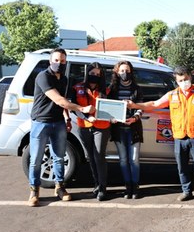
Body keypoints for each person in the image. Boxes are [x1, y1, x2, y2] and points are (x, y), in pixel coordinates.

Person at [127, 66, 194, 207]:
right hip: (179, 137)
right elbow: (154, 104)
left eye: (186, 79)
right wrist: (135, 105)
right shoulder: (172, 95)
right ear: (176, 80)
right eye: (181, 80)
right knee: (182, 167)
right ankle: (186, 191)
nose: (184, 82)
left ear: (190, 77)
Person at [28, 48, 95, 207]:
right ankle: (34, 191)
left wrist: (67, 118)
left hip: (58, 122)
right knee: (36, 159)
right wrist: (82, 109)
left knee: (59, 157)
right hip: (41, 122)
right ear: (50, 61)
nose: (59, 63)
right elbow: (58, 100)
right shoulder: (43, 76)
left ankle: (60, 188)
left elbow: (63, 102)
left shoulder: (64, 79)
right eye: (56, 60)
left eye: (63, 61)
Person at [71, 62, 110, 201]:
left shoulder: (106, 90)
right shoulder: (77, 87)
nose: (95, 76)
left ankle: (103, 188)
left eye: (98, 74)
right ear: (87, 73)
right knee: (91, 157)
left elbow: (113, 107)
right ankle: (97, 185)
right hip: (84, 126)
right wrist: (87, 116)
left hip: (102, 127)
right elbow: (74, 107)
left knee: (99, 156)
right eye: (92, 73)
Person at [108, 61, 144, 199]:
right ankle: (127, 186)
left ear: (131, 71)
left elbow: (140, 107)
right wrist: (111, 118)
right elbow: (108, 107)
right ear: (117, 72)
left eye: (127, 70)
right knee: (123, 160)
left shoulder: (137, 89)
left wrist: (135, 118)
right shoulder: (112, 88)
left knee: (134, 159)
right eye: (122, 71)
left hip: (133, 128)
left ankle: (135, 187)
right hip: (118, 129)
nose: (125, 73)